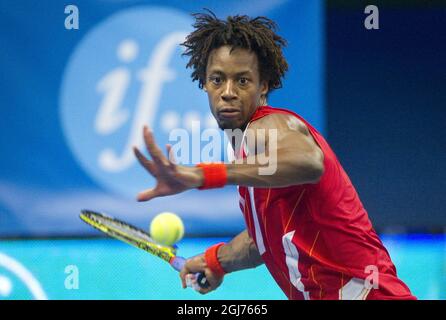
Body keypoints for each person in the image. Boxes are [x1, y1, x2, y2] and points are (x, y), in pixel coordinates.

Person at [133, 11, 416, 300]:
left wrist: (202, 174)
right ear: (204, 83)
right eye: (217, 80)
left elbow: (309, 162)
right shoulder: (250, 155)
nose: (228, 92)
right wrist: (216, 261)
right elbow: (265, 242)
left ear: (263, 85)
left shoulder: (269, 125)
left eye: (242, 81)